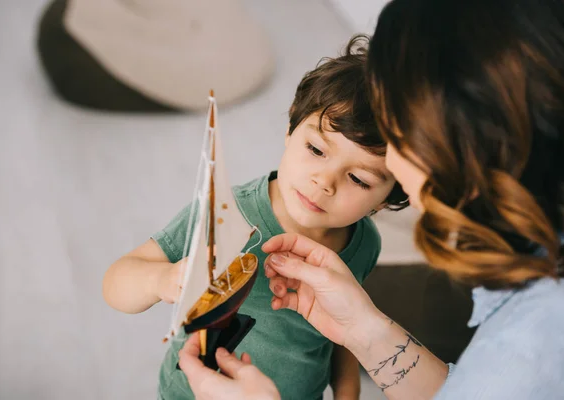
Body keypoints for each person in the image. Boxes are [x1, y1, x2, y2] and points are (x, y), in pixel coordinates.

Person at [177, 0, 564, 398]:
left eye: (397, 134)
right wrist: (363, 327)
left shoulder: (535, 347)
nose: (391, 156)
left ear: (455, 151)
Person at [102, 35, 407, 400]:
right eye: (315, 149)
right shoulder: (227, 215)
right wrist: (163, 279)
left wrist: (346, 392)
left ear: (384, 201)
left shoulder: (365, 242)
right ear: (290, 129)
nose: (324, 182)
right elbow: (116, 282)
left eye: (358, 179)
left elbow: (345, 325)